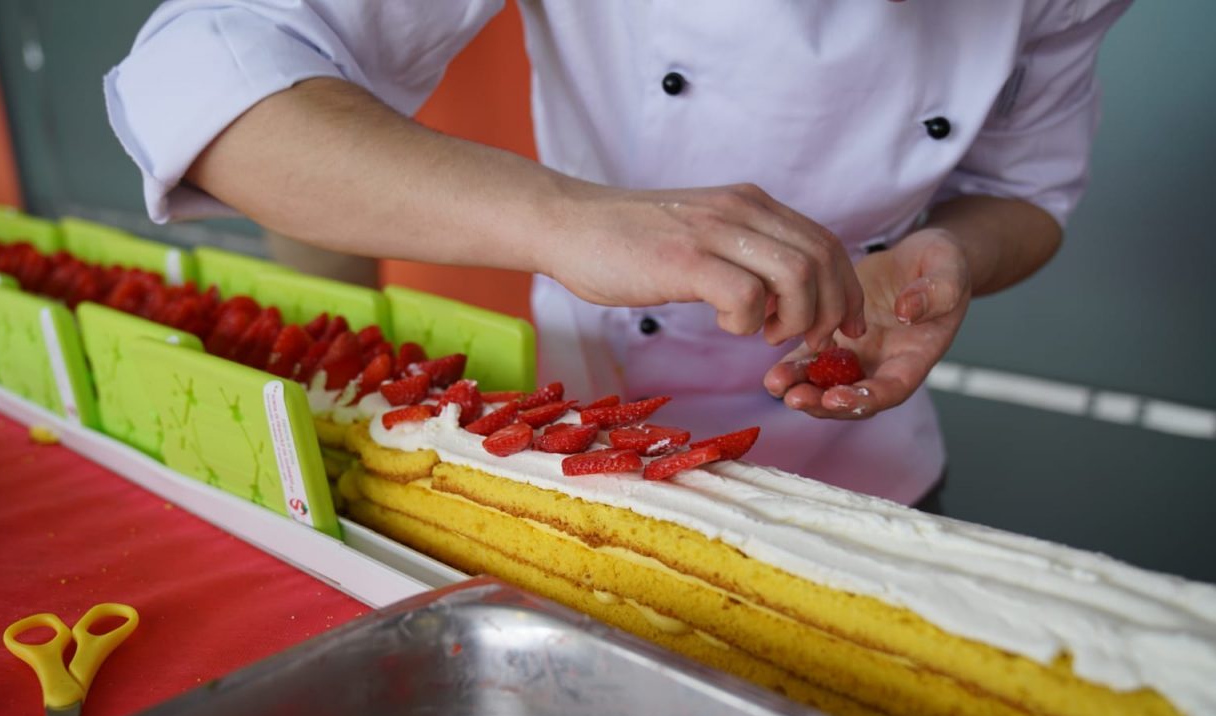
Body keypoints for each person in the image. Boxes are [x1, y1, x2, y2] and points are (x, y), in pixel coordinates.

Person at [105, 0, 1131, 507]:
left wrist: (949, 251)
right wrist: (567, 219)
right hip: (606, 453)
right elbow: (206, 79)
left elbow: (1021, 193)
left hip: (875, 463)